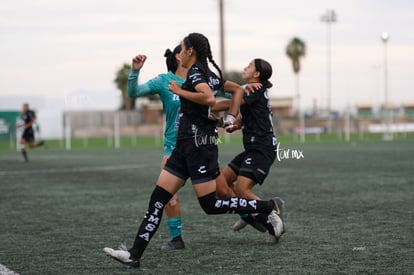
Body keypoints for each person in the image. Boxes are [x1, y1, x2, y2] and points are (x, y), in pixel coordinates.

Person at [103, 33, 285, 269]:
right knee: (158, 200)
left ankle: (268, 207)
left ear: (189, 52)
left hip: (200, 148)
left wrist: (181, 92)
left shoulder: (198, 73)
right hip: (182, 146)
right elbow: (235, 93)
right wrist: (228, 117)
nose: (178, 53)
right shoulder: (207, 74)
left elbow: (208, 97)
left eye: (182, 48)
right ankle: (134, 254)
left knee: (211, 205)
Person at [213, 58, 285, 243]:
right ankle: (249, 215)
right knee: (222, 186)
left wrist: (206, 104)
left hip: (263, 148)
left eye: (250, 65)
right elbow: (241, 118)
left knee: (242, 190)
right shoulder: (250, 89)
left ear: (257, 74)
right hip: (252, 148)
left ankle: (272, 211)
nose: (245, 67)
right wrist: (228, 124)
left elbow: (233, 105)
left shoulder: (255, 88)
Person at [127, 45, 187, 251]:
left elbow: (229, 91)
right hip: (173, 148)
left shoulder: (201, 79)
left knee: (221, 193)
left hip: (200, 146)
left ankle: (263, 214)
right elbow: (133, 92)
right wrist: (135, 71)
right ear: (180, 56)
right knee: (168, 195)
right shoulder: (164, 81)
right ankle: (176, 239)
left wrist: (247, 90)